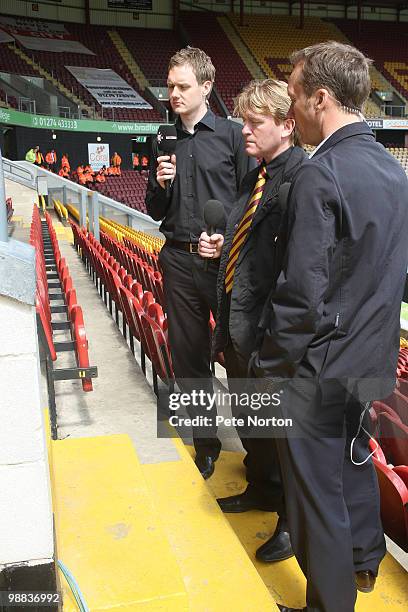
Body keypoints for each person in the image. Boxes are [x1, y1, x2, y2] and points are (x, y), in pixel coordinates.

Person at [250, 41, 408, 612]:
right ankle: (364, 565)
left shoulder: (322, 174)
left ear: (321, 97)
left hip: (319, 370)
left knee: (316, 500)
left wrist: (270, 368)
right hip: (370, 363)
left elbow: (301, 296)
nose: (290, 111)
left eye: (294, 96)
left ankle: (330, 605)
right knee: (351, 465)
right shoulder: (394, 171)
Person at [198, 79, 307, 562]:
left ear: (287, 125)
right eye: (243, 120)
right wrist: (225, 251)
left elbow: (296, 270)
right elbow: (254, 248)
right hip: (239, 323)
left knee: (282, 435)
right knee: (252, 422)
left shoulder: (300, 178)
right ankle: (262, 489)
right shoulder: (257, 175)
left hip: (267, 332)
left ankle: (290, 518)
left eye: (254, 122)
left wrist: (274, 341)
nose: (244, 130)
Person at [145, 47, 254, 478]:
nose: (173, 93)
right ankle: (205, 445)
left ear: (206, 87)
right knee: (189, 359)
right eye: (170, 86)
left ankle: (261, 458)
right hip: (177, 259)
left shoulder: (232, 135)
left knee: (241, 355)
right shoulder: (161, 136)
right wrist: (158, 183)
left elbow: (250, 203)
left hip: (224, 262)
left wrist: (227, 240)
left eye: (182, 86)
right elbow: (155, 210)